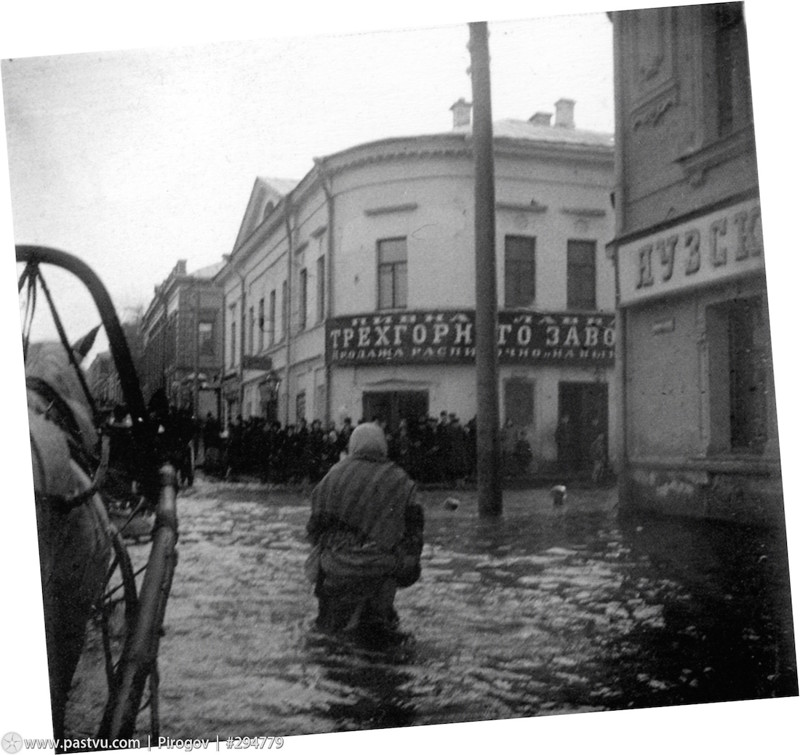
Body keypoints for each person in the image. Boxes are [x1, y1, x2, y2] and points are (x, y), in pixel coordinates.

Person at [305, 422, 424, 638]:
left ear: (352, 445)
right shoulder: (400, 480)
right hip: (380, 570)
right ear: (383, 445)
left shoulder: (331, 477)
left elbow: (313, 531)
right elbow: (414, 535)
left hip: (335, 569)